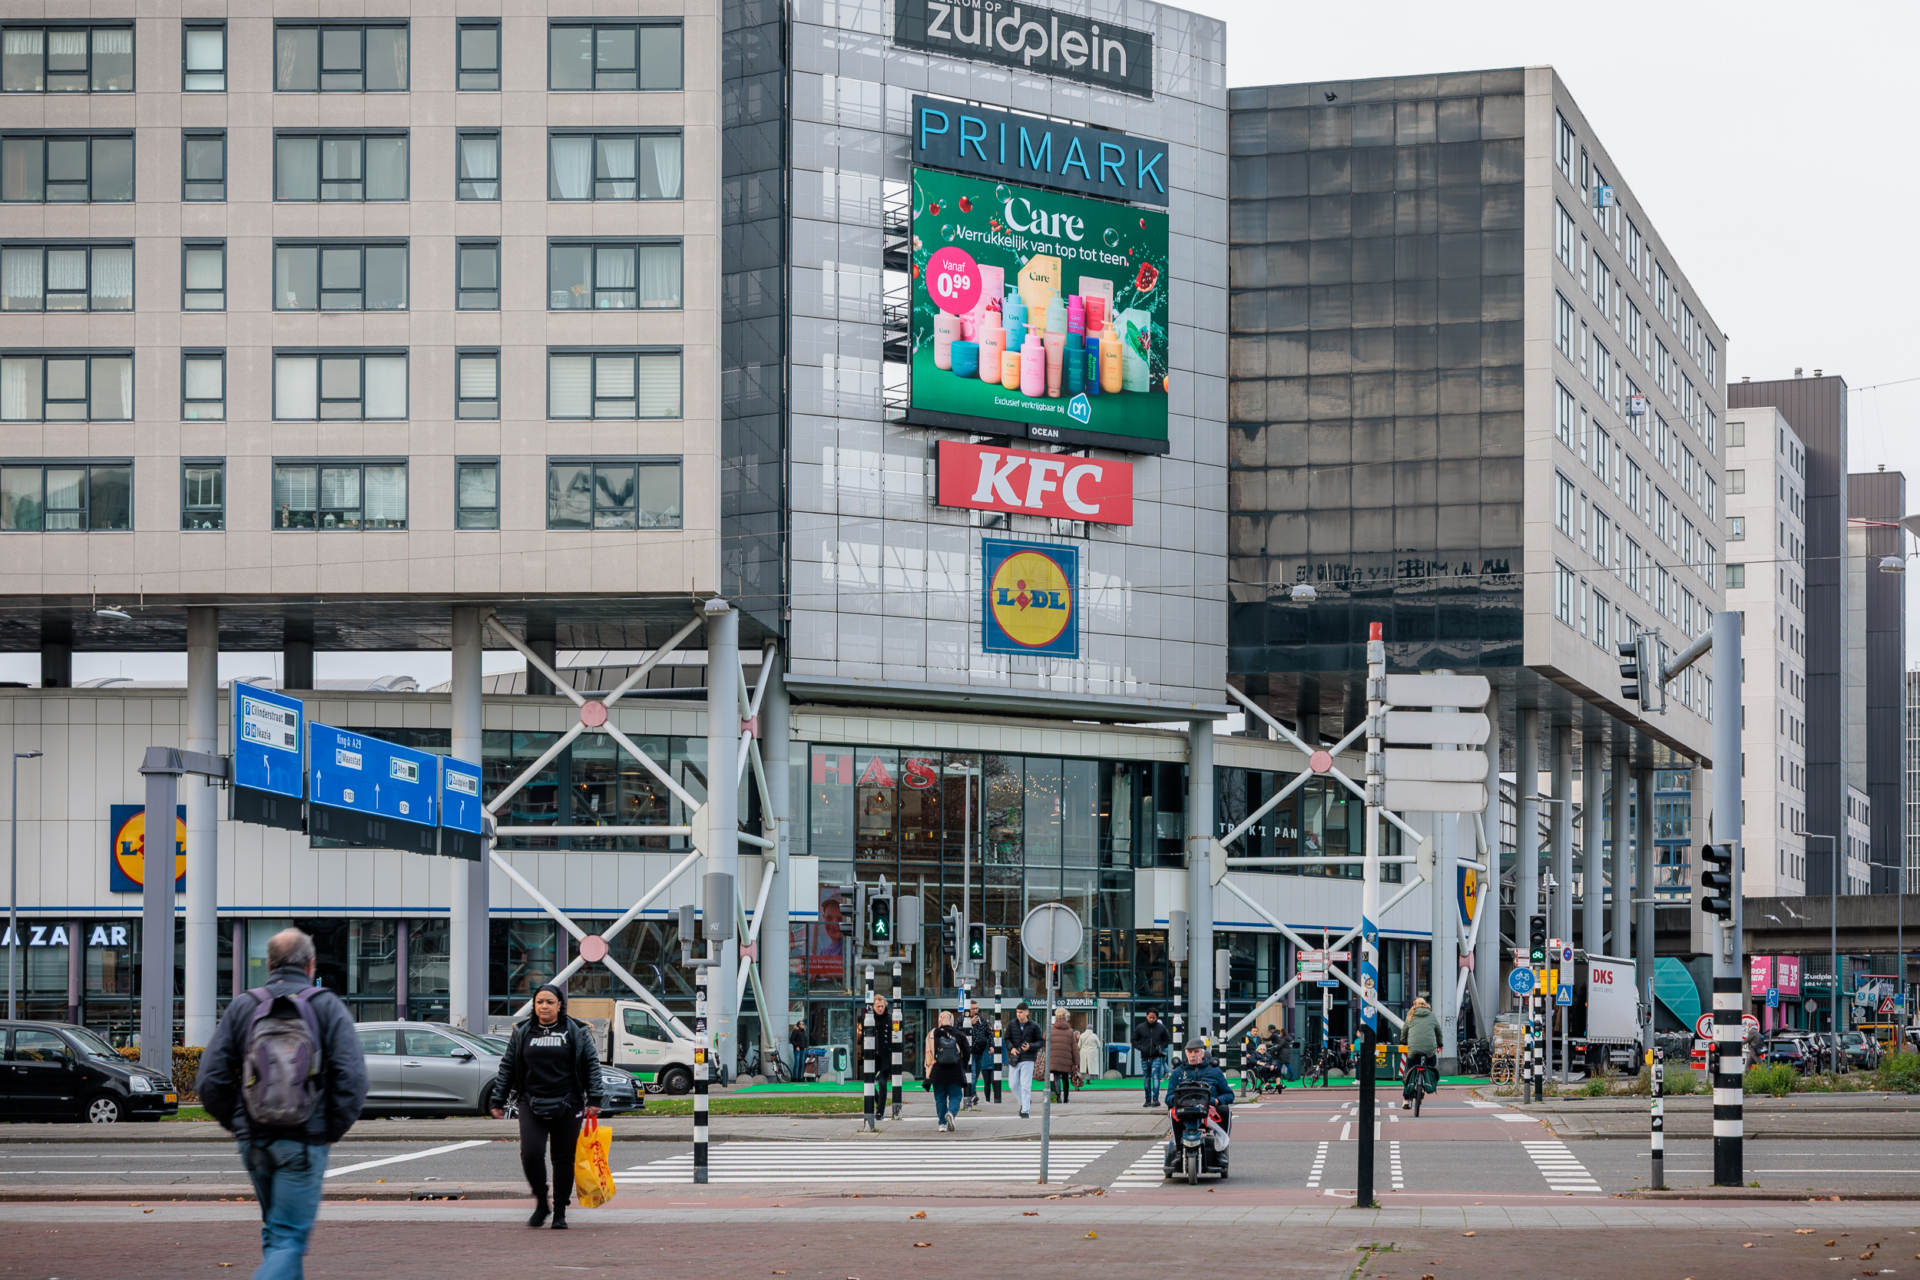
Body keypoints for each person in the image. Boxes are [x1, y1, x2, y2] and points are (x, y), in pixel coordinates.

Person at [195, 927, 368, 1280]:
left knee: (277, 1232)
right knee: (288, 1236)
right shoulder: (325, 1005)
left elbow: (209, 1081)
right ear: (310, 965)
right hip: (305, 1142)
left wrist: (241, 1124)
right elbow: (353, 1081)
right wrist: (330, 1130)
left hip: (255, 1141)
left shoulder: (244, 1005)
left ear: (270, 964)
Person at [489, 984, 607, 1228]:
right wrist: (497, 1100)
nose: (544, 1006)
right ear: (534, 1004)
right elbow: (508, 1066)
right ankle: (542, 1201)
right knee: (531, 1153)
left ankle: (560, 1211)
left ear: (560, 1005)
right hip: (530, 1101)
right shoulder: (522, 1031)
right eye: (540, 1001)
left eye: (550, 1002)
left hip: (569, 1101)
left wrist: (595, 1099)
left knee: (563, 1158)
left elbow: (591, 1066)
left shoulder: (576, 1031)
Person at [924, 1011, 968, 1132]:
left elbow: (928, 1054)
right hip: (955, 1071)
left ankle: (942, 1124)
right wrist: (963, 1066)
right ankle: (951, 1113)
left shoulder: (933, 1034)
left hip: (938, 1071)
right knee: (956, 1095)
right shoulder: (959, 1034)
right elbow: (967, 1052)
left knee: (940, 1097)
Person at [1400, 996, 1442, 1108]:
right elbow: (1438, 1032)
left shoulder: (1411, 1015)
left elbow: (1404, 1031)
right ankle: (1428, 1081)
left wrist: (1403, 1041)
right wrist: (1440, 1043)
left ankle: (1406, 1099)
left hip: (1414, 1049)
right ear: (1425, 1004)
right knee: (1431, 1064)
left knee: (1409, 1070)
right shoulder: (1432, 1016)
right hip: (1429, 1049)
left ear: (1415, 1005)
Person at [1004, 1002, 1043, 1118]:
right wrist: (1011, 1048)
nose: (1018, 1014)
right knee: (1012, 1084)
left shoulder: (1034, 1026)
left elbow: (1041, 1041)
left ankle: (1025, 1110)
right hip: (1015, 1058)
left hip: (1028, 1058)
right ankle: (1023, 1102)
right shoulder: (1012, 1024)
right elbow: (1007, 1038)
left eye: (1021, 1012)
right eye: (1017, 1012)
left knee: (1026, 1085)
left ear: (1027, 1012)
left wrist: (1030, 1046)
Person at [1132, 1009, 1172, 1108]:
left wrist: (1161, 1047)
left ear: (1157, 1017)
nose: (1151, 1019)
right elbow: (1134, 1039)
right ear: (1146, 1016)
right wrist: (1140, 1047)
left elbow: (1167, 1039)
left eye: (1153, 1018)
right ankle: (1147, 1099)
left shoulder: (1161, 1028)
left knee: (1155, 1077)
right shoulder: (1140, 1027)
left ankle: (1155, 1099)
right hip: (1144, 1056)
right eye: (1150, 1017)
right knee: (1146, 1078)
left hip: (1156, 1056)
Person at [867, 993, 896, 1114]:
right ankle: (878, 1102)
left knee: (883, 1083)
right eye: (878, 1006)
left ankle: (880, 1111)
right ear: (873, 1006)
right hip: (873, 1055)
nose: (880, 1008)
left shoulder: (890, 1018)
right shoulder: (869, 1019)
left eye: (882, 1006)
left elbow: (897, 1032)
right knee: (868, 1082)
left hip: (886, 1055)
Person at [960, 1000, 989, 1108]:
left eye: (977, 1008)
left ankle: (972, 1094)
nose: (976, 1011)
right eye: (973, 1009)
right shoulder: (962, 1020)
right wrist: (969, 1025)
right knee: (971, 1074)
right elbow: (958, 1033)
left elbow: (988, 1034)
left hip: (979, 1052)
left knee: (976, 1074)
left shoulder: (982, 1021)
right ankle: (972, 1094)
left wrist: (990, 1046)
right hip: (968, 1053)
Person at [1048, 1010, 1077, 1103]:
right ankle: (1066, 1097)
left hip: (1054, 1059)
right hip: (1066, 1059)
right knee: (1065, 1078)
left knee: (1056, 1077)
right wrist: (1076, 1062)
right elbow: (1074, 1048)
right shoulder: (1070, 1031)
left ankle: (1058, 1096)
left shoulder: (1051, 1030)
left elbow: (1044, 1041)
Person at [788, 1016, 810, 1080]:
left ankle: (799, 1077)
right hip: (797, 1050)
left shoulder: (803, 1032)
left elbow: (805, 1040)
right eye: (802, 1024)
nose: (803, 1025)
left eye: (803, 1024)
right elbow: (792, 1039)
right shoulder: (796, 1031)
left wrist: (805, 1046)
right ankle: (794, 1077)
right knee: (797, 1063)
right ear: (799, 1025)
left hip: (802, 1049)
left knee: (801, 1064)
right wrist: (796, 1046)